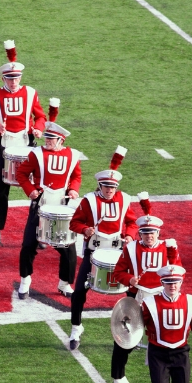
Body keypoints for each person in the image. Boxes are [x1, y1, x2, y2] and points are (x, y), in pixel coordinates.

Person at [105, 197, 182, 383]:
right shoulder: (131, 249)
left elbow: (178, 274)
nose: (149, 237)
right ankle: (118, 381)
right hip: (136, 299)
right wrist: (130, 279)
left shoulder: (168, 248)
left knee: (163, 345)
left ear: (159, 233)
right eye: (145, 233)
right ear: (140, 233)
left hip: (161, 301)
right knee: (122, 341)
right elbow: (118, 271)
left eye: (152, 233)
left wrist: (173, 258)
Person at [0, 40, 46, 251]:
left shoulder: (30, 93)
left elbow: (41, 116)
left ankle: (40, 232)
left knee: (39, 190)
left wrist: (38, 128)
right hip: (5, 149)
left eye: (16, 78)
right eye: (10, 78)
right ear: (3, 78)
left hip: (29, 148)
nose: (14, 82)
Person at [67, 147, 137, 350]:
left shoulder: (124, 200)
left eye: (112, 187)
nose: (109, 190)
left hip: (119, 254)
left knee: (132, 290)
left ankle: (132, 327)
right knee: (79, 290)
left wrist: (130, 236)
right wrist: (86, 229)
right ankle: (76, 327)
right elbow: (74, 223)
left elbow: (132, 223)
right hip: (94, 253)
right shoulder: (89, 200)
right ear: (100, 185)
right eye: (106, 186)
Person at [14, 101, 82, 299]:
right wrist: (31, 191)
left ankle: (64, 283)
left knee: (68, 249)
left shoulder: (72, 156)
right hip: (41, 205)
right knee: (28, 245)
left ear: (61, 141)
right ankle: (25, 280)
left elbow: (76, 176)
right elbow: (21, 174)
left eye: (52, 139)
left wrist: (74, 190)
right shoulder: (36, 154)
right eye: (47, 137)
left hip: (62, 207)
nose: (47, 141)